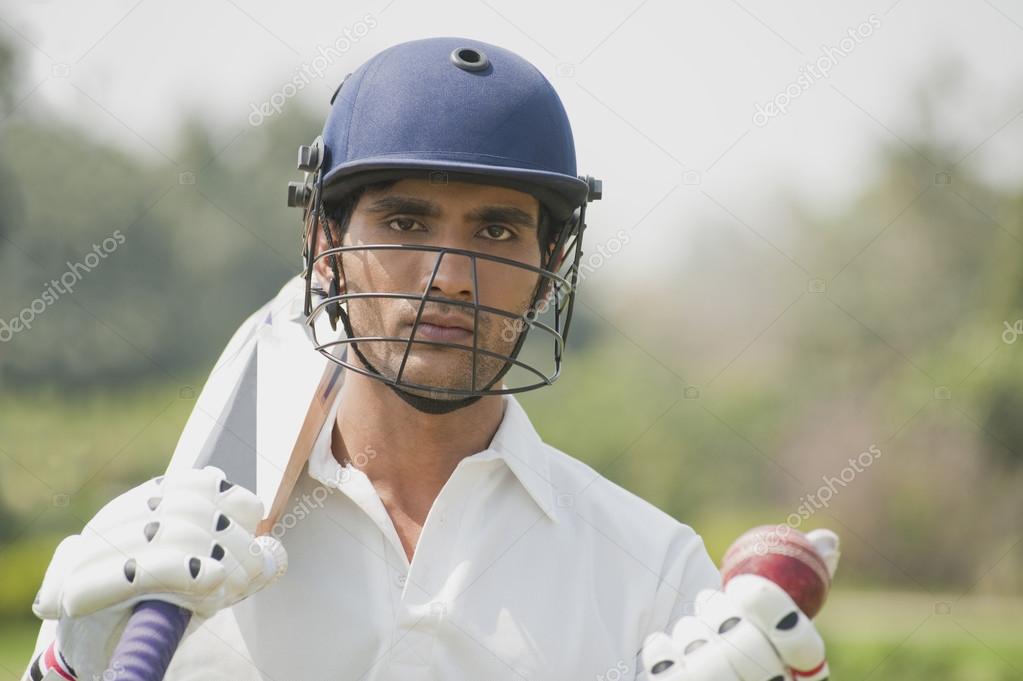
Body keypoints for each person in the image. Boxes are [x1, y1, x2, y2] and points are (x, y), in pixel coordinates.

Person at [23, 37, 833, 680]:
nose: (450, 277)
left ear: (550, 266)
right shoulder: (166, 539)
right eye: (406, 223)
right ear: (325, 245)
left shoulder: (650, 568)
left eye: (495, 230)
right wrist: (71, 662)